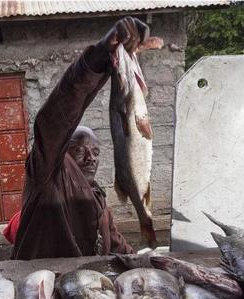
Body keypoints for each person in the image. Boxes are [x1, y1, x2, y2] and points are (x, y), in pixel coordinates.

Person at [11, 17, 151, 260]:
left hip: (85, 287)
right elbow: (55, 117)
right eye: (79, 150)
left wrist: (145, 262)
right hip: (42, 286)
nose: (90, 158)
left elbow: (117, 246)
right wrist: (99, 56)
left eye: (95, 152)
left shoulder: (98, 197)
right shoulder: (48, 174)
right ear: (63, 150)